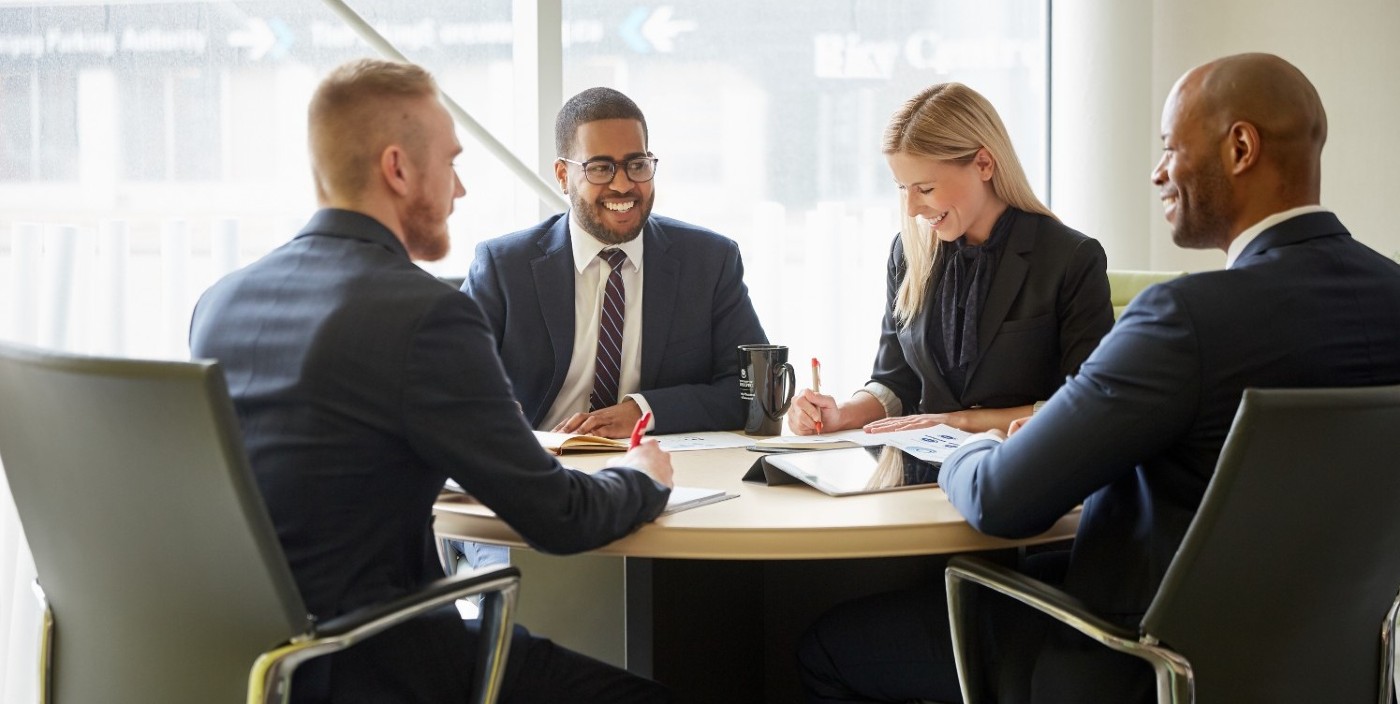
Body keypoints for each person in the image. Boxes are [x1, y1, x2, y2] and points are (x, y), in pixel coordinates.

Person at [797, 53, 1400, 703]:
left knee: (828, 648)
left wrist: (959, 443)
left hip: (1129, 660)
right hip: (1313, 666)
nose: (1157, 171)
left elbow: (1002, 498)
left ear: (1241, 147)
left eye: (1171, 147)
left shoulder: (1184, 319)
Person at [189, 58, 674, 704]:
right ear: (397, 168)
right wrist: (644, 476)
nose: (461, 190)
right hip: (378, 666)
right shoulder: (424, 315)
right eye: (451, 162)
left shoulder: (221, 304)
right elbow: (560, 518)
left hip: (256, 665)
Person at [786, 83, 1113, 438]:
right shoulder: (909, 253)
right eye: (902, 188)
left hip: (1021, 462)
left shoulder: (1070, 258)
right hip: (923, 462)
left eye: (925, 189)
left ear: (984, 164)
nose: (911, 209)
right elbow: (896, 382)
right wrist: (841, 415)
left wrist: (958, 421)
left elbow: (1086, 402)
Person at [465, 87, 768, 440]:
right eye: (600, 168)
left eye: (636, 165)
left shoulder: (709, 261)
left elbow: (752, 390)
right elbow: (450, 378)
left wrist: (644, 411)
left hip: (662, 462)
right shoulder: (504, 267)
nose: (623, 185)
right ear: (563, 175)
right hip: (543, 467)